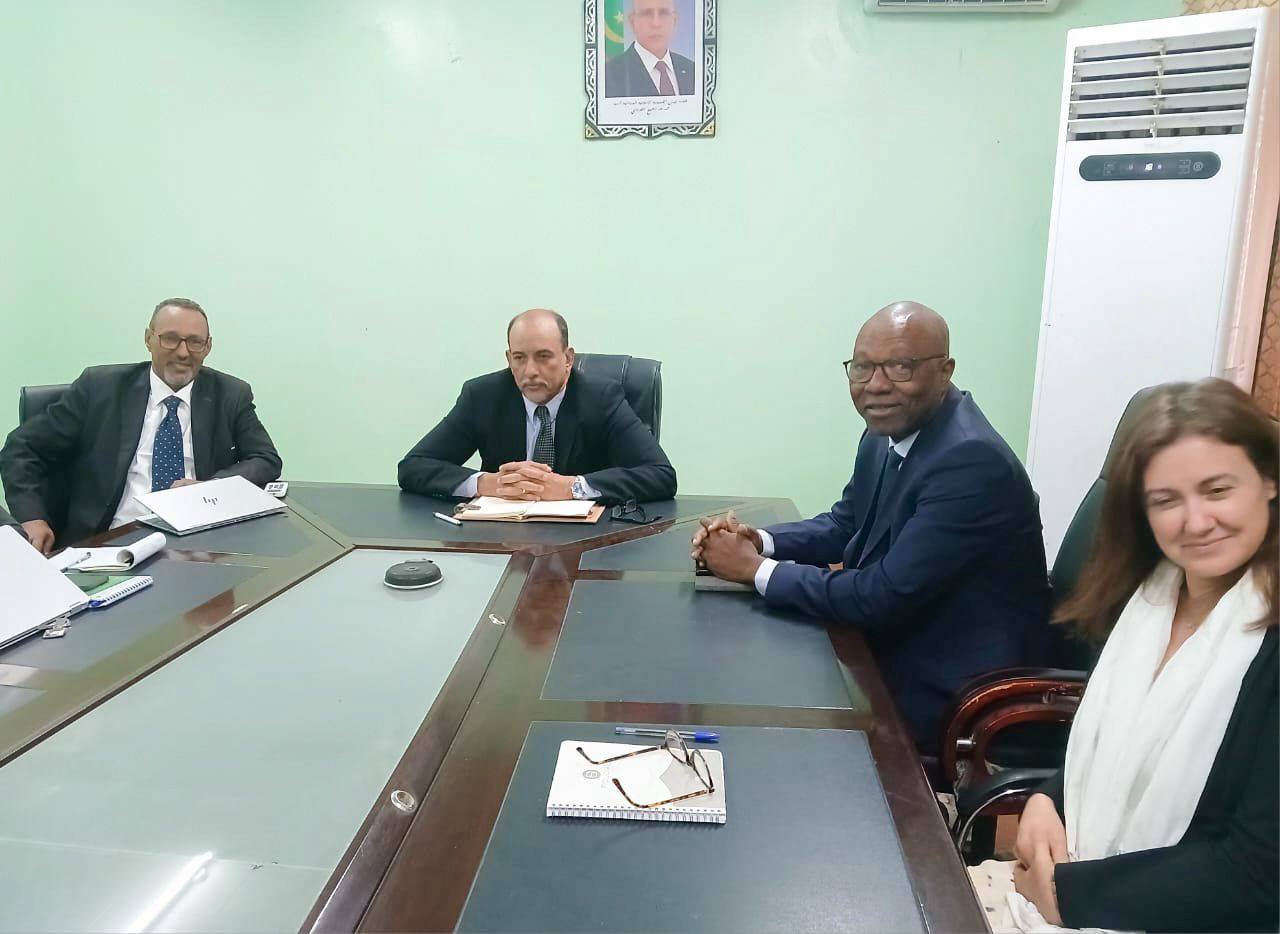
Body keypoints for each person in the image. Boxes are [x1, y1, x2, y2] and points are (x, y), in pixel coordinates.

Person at [971, 378, 1278, 933]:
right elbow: (1108, 749)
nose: (1195, 522)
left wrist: (1068, 896)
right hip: (1081, 889)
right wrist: (1047, 799)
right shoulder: (1149, 597)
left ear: (1269, 481)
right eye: (1166, 500)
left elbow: (1259, 872)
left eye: (1217, 490)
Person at [692, 301, 1049, 751]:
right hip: (900, 641)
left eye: (900, 367)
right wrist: (759, 541)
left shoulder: (970, 459)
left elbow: (881, 596)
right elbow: (847, 523)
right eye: (862, 367)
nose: (876, 385)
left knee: (775, 718)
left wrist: (753, 569)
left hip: (958, 686)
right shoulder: (887, 432)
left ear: (945, 371)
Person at [0, 298, 282, 554]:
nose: (183, 352)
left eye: (195, 342)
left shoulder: (230, 394)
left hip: (197, 544)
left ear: (208, 346)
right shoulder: (100, 388)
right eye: (170, 339)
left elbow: (265, 459)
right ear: (149, 339)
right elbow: (21, 449)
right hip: (107, 542)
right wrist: (31, 517)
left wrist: (209, 489)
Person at [398, 308, 676, 505]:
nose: (530, 371)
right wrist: (486, 483)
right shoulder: (482, 396)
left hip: (584, 541)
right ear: (509, 359)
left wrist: (572, 487)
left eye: (543, 356)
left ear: (568, 358)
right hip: (501, 540)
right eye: (519, 358)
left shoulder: (601, 398)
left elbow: (661, 475)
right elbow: (413, 466)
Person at [604, 0, 695, 97]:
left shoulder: (692, 70)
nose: (656, 23)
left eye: (664, 13)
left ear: (675, 21)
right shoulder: (608, 75)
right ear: (632, 22)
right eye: (646, 14)